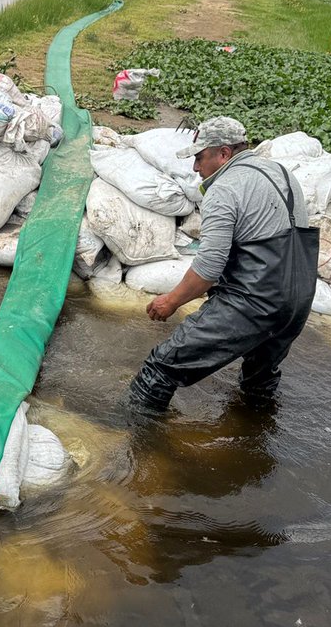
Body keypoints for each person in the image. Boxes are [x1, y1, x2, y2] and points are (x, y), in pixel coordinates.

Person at [127, 116, 320, 413]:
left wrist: (171, 301)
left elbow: (208, 269)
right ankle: (254, 441)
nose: (195, 168)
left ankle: (140, 448)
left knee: (161, 368)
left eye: (199, 157)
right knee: (258, 382)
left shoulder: (225, 188)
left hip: (254, 301)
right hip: (298, 301)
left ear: (224, 153)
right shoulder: (282, 173)